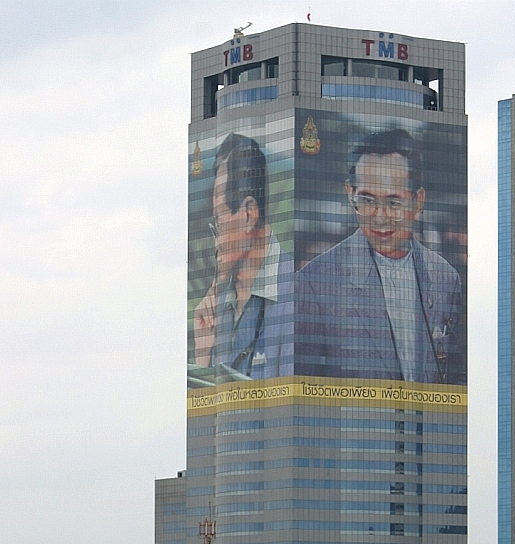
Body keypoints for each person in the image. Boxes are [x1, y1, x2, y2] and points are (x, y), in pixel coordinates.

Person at [296, 128, 464, 384]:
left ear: (418, 202)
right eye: (367, 200)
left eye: (394, 203)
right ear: (350, 194)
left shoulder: (446, 278)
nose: (380, 217)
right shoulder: (313, 283)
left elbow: (456, 379)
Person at [190, 133, 294, 384]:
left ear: (248, 215)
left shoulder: (298, 294)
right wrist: (203, 354)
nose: (215, 243)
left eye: (218, 223)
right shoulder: (219, 306)